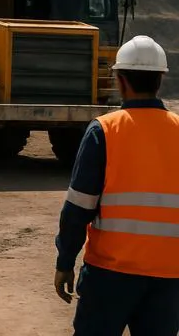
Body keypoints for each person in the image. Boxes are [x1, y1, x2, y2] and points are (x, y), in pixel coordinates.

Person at [54, 34, 179, 335]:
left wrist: (65, 261)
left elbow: (79, 207)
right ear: (160, 79)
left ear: (121, 80)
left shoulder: (104, 131)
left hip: (110, 275)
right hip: (169, 278)